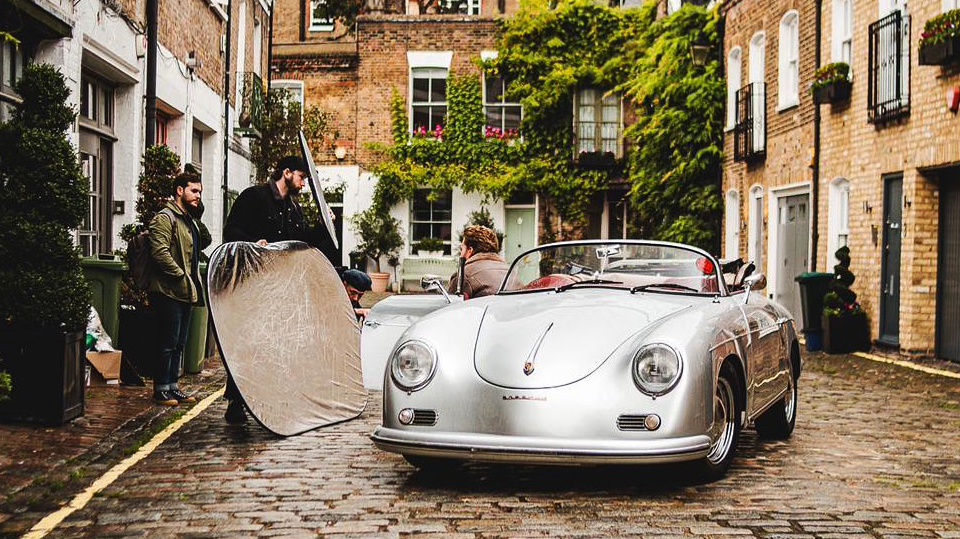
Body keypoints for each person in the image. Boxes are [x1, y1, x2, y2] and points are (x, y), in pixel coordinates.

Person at [220, 155, 338, 423]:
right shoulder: (254, 197)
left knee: (273, 344)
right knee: (248, 344)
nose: (304, 183)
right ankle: (236, 402)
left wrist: (324, 226)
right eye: (301, 176)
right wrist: (253, 243)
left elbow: (301, 242)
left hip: (280, 287)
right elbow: (231, 230)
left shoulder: (293, 208)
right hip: (251, 284)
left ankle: (264, 401)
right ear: (286, 172)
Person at [147, 172, 204, 406]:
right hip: (167, 290)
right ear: (179, 190)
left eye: (200, 191)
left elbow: (204, 241)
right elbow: (159, 252)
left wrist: (196, 213)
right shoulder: (165, 217)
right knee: (167, 342)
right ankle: (160, 388)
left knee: (180, 342)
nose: (198, 195)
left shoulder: (188, 219)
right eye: (193, 191)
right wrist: (180, 275)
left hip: (186, 290)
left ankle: (172, 386)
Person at [447, 225, 511, 299]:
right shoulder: (510, 271)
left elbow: (450, 306)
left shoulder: (464, 275)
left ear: (470, 250)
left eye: (462, 249)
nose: (461, 254)